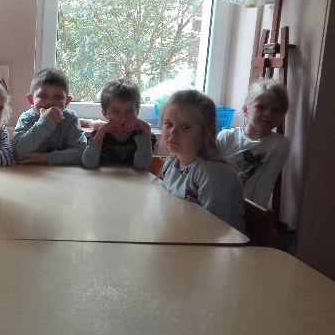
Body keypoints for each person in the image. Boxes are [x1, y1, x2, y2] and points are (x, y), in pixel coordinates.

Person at [159, 89, 244, 231]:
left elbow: (215, 227)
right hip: (182, 232)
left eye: (185, 127)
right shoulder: (172, 161)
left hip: (217, 242)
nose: (173, 132)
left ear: (206, 133)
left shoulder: (212, 173)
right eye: (169, 124)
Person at [217, 79, 290, 207]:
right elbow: (208, 171)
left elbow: (266, 182)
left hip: (242, 208)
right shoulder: (227, 137)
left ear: (282, 117)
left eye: (276, 110)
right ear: (246, 110)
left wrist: (255, 213)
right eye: (261, 107)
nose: (268, 113)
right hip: (212, 200)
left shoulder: (279, 145)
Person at [12, 67, 86, 164]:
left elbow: (81, 152)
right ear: (31, 100)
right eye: (43, 96)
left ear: (67, 101)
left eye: (58, 97)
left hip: (62, 171)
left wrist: (45, 158)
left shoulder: (70, 118)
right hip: (30, 171)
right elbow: (18, 152)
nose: (50, 102)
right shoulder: (26, 118)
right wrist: (46, 121)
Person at [82, 78, 154, 170]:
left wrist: (147, 130)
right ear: (105, 114)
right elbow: (88, 163)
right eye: (116, 112)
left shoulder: (143, 135)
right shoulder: (100, 135)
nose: (123, 118)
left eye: (129, 111)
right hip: (104, 178)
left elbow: (142, 167)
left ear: (137, 112)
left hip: (132, 179)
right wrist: (100, 133)